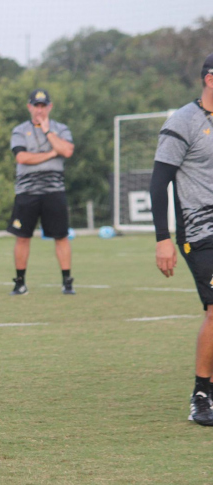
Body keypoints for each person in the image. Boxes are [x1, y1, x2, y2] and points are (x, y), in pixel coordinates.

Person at [150, 52, 213, 426]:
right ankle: (201, 396)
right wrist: (162, 238)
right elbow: (159, 182)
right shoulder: (184, 122)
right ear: (210, 79)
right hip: (200, 230)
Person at [6, 88, 76, 296]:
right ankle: (20, 282)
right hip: (27, 193)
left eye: (43, 106)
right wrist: (52, 153)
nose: (39, 110)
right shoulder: (19, 130)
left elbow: (68, 151)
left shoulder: (60, 129)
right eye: (36, 106)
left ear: (50, 107)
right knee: (22, 237)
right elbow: (22, 158)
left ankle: (67, 281)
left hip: (54, 192)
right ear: (29, 107)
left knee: (61, 236)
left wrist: (48, 132)